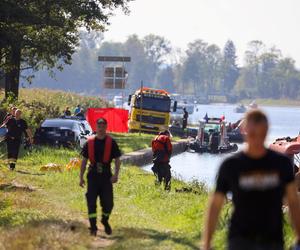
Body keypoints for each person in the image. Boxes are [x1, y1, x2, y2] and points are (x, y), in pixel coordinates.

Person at [202, 109, 300, 250]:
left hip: (272, 240)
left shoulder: (281, 164)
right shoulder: (231, 165)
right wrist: (206, 243)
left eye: (261, 134)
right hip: (240, 240)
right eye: (253, 134)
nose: (257, 139)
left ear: (267, 131)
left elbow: (293, 202)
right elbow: (215, 205)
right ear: (244, 130)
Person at [79, 118, 121, 236]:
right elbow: (84, 161)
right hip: (92, 176)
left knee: (108, 203)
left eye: (103, 126)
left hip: (106, 176)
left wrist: (116, 175)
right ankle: (93, 227)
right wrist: (81, 177)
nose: (101, 129)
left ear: (106, 127)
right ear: (96, 128)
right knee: (91, 202)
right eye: (99, 126)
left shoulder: (111, 142)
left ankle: (105, 220)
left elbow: (117, 160)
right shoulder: (89, 142)